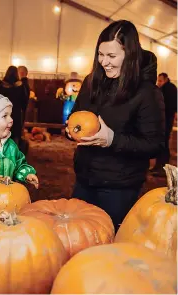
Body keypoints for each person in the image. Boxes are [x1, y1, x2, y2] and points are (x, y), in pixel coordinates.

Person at [65, 20, 165, 232]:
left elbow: (154, 144)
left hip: (119, 187)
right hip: (84, 177)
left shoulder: (147, 93)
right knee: (77, 237)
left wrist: (112, 140)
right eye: (101, 55)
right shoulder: (91, 82)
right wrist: (70, 131)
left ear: (130, 55)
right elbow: (76, 117)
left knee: (108, 245)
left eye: (111, 56)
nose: (104, 62)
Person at [150, 73, 177, 176]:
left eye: (160, 80)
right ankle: (161, 166)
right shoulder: (170, 88)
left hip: (165, 120)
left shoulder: (168, 89)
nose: (158, 82)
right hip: (166, 120)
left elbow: (165, 106)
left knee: (163, 143)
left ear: (165, 79)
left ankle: (161, 167)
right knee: (164, 142)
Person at [0, 66, 26, 146]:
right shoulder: (20, 86)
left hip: (3, 114)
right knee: (15, 135)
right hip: (15, 113)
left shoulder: (1, 85)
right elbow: (24, 101)